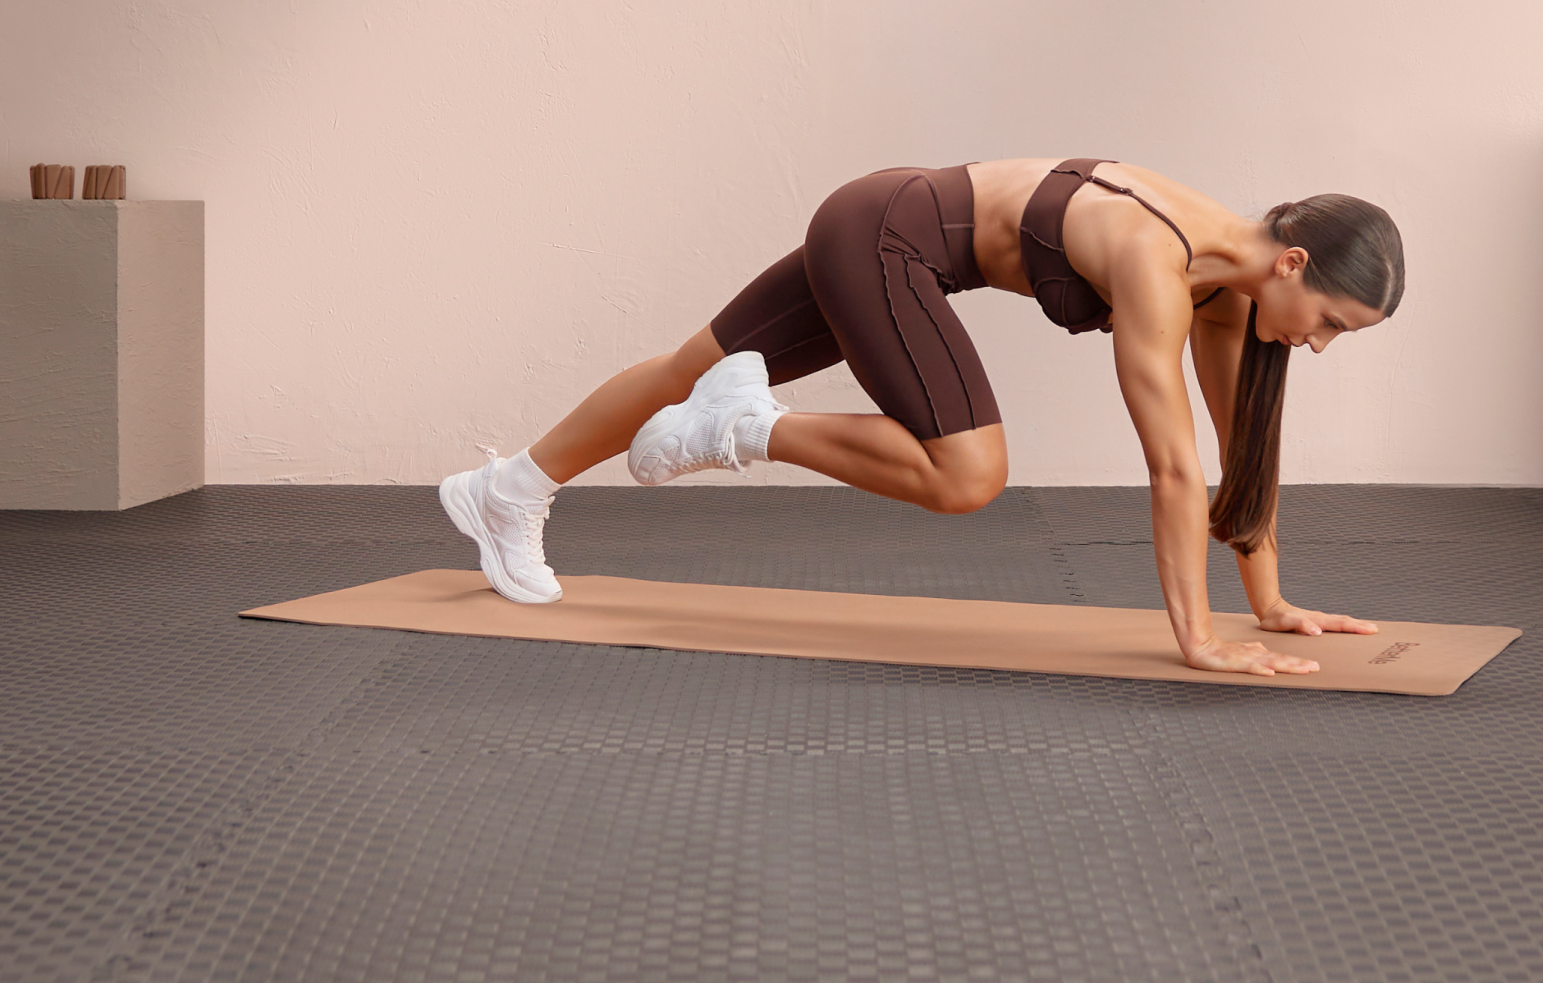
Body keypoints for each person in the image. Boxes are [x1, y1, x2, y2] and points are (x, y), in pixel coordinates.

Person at [440, 158, 1405, 677]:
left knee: (682, 368)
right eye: (1329, 322)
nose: (1317, 343)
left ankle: (504, 492)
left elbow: (1238, 452)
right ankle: (748, 427)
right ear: (1293, 265)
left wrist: (1269, 605)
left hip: (880, 220)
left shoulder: (1229, 292)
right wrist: (1195, 638)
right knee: (969, 471)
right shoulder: (1164, 265)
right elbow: (1171, 467)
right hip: (888, 236)